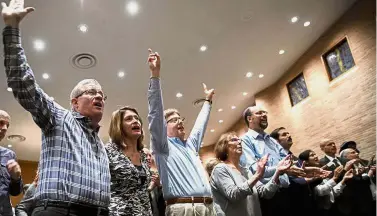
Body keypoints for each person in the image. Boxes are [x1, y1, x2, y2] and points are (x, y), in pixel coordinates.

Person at [2, 1, 110, 215]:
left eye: (101, 94)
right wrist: (12, 29)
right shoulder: (59, 118)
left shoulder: (100, 144)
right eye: (90, 91)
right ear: (75, 103)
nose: (98, 95)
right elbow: (23, 83)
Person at [147, 49, 215, 216]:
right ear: (163, 127)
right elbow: (155, 113)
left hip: (208, 207)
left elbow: (200, 127)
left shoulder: (190, 146)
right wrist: (155, 75)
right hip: (183, 209)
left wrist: (207, 102)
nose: (180, 121)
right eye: (173, 119)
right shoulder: (162, 146)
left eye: (180, 118)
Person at [210, 132, 292, 216]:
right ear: (224, 146)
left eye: (239, 140)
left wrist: (278, 171)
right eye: (234, 140)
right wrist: (257, 175)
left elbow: (265, 192)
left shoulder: (245, 170)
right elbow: (234, 195)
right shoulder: (220, 169)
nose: (239, 142)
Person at [106, 106, 152, 216]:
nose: (135, 121)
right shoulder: (108, 151)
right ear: (119, 126)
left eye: (137, 118)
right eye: (129, 119)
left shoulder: (144, 155)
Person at [0, 110, 23, 216]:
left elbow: (15, 192)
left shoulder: (9, 155)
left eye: (7, 125)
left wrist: (16, 178)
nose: (5, 128)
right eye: (0, 123)